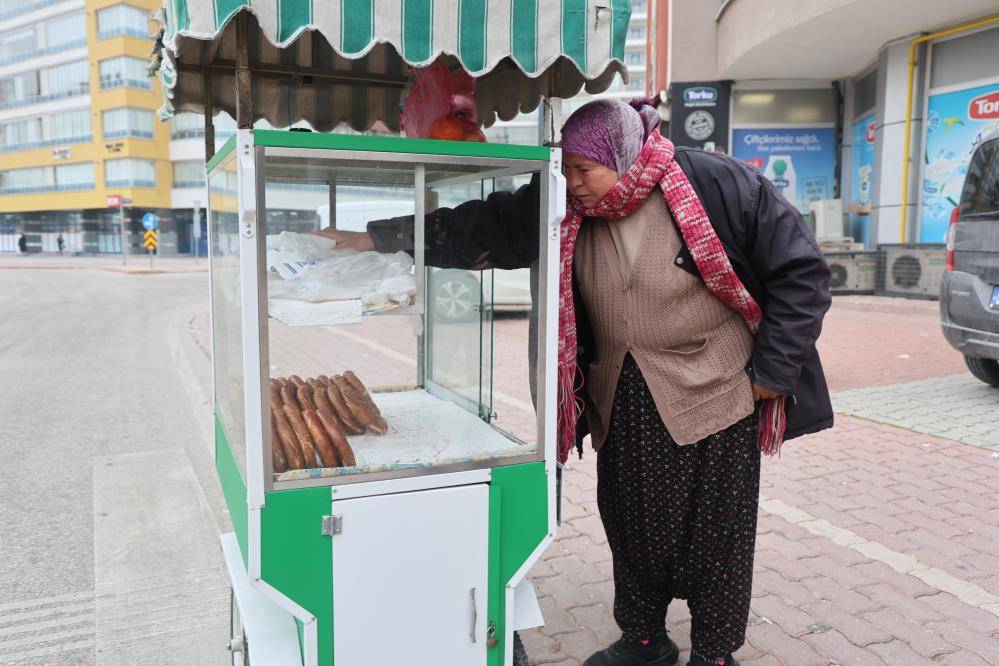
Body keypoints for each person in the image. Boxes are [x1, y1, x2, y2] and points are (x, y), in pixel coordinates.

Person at [319, 98, 832, 666]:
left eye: (584, 170)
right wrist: (376, 237)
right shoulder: (566, 203)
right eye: (566, 169)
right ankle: (643, 640)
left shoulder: (716, 183)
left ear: (623, 154)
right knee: (631, 520)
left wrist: (773, 373)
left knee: (718, 533)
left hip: (718, 387)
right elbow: (483, 226)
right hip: (624, 389)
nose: (573, 183)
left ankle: (714, 652)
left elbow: (802, 272)